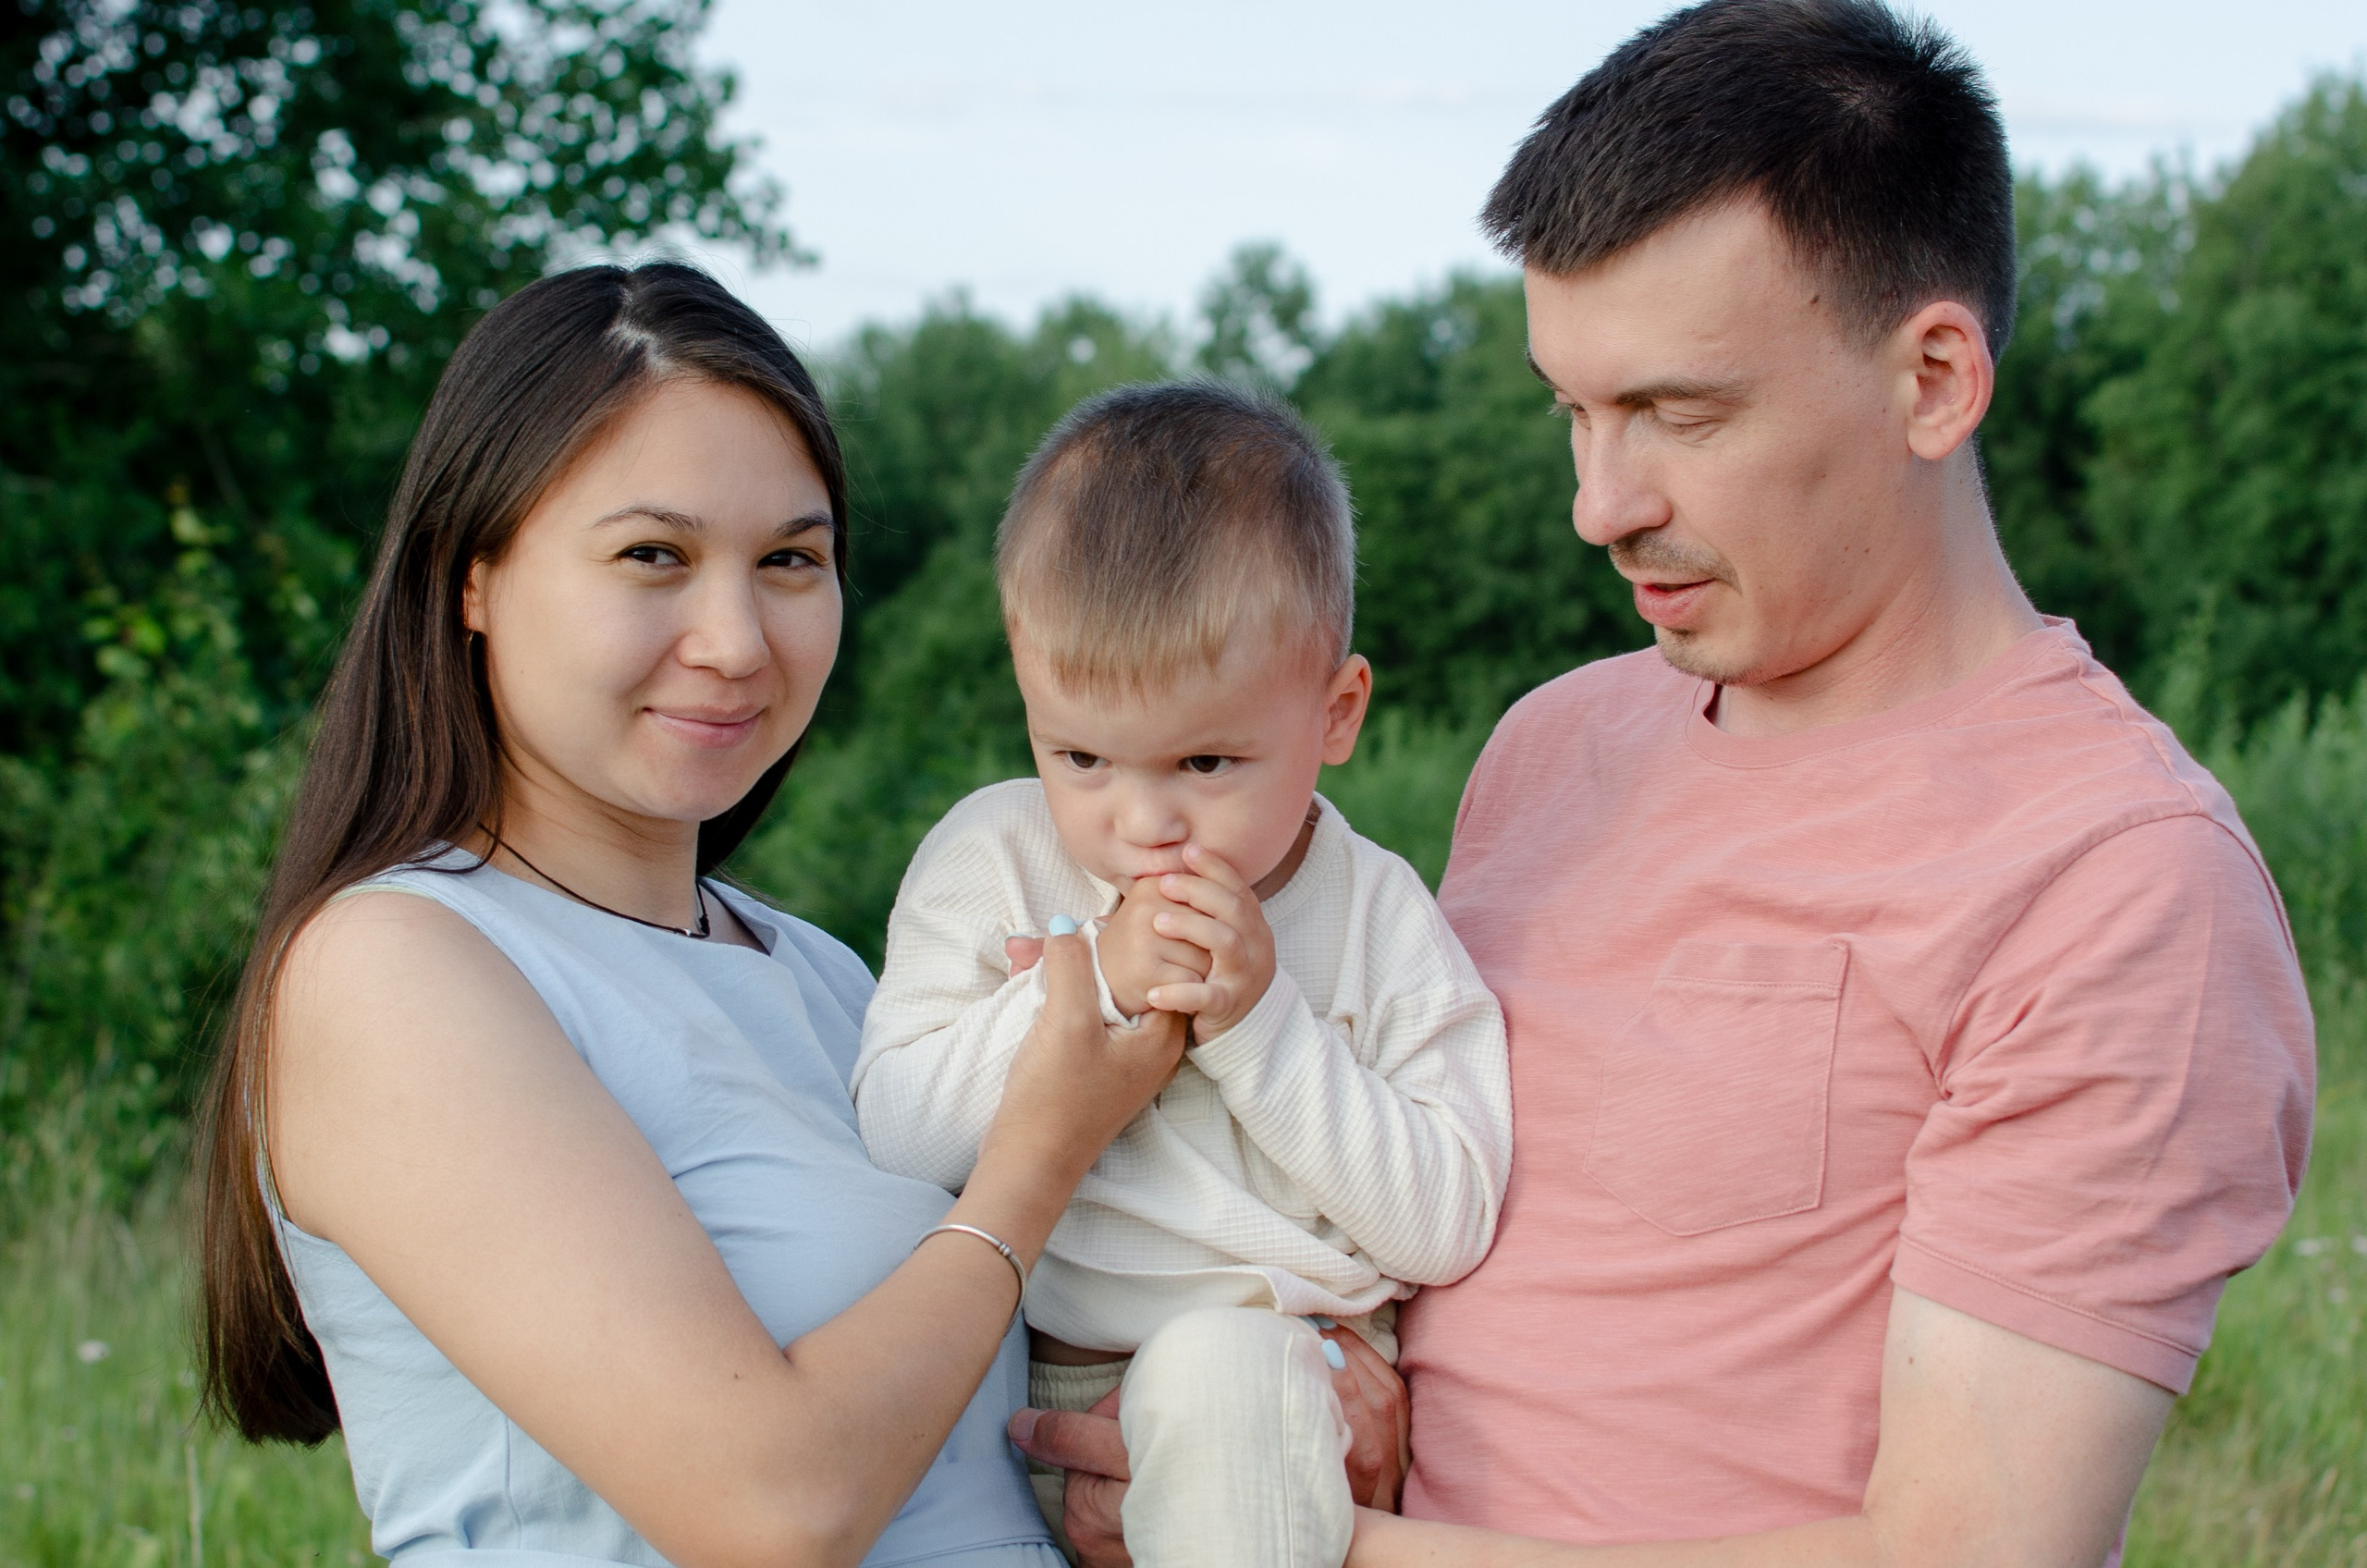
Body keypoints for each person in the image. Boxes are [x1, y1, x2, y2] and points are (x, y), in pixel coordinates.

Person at [1013, 3, 2317, 1563]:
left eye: (1676, 414)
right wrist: (1331, 1397)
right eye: (1572, 406)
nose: (1598, 503)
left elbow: (1970, 1551)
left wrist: (1284, 1540)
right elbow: (1464, 1240)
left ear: (1934, 380)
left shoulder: (2119, 882)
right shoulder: (1554, 747)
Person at [194, 262, 1190, 1568]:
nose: (733, 639)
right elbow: (769, 1510)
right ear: (473, 577)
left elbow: (952, 1428)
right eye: (652, 556)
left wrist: (1129, 1467)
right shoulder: (396, 968)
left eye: (790, 560)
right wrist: (1040, 1156)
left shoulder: (826, 974)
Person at [853, 382, 1511, 1568]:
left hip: (1295, 1374)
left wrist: (1263, 1028)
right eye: (1081, 755)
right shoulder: (992, 857)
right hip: (1037, 1386)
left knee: (1221, 1366)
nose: (1143, 820)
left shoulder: (1376, 911)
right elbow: (897, 1139)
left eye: (1206, 759)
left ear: (1336, 711)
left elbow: (1447, 1217)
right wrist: (1089, 981)